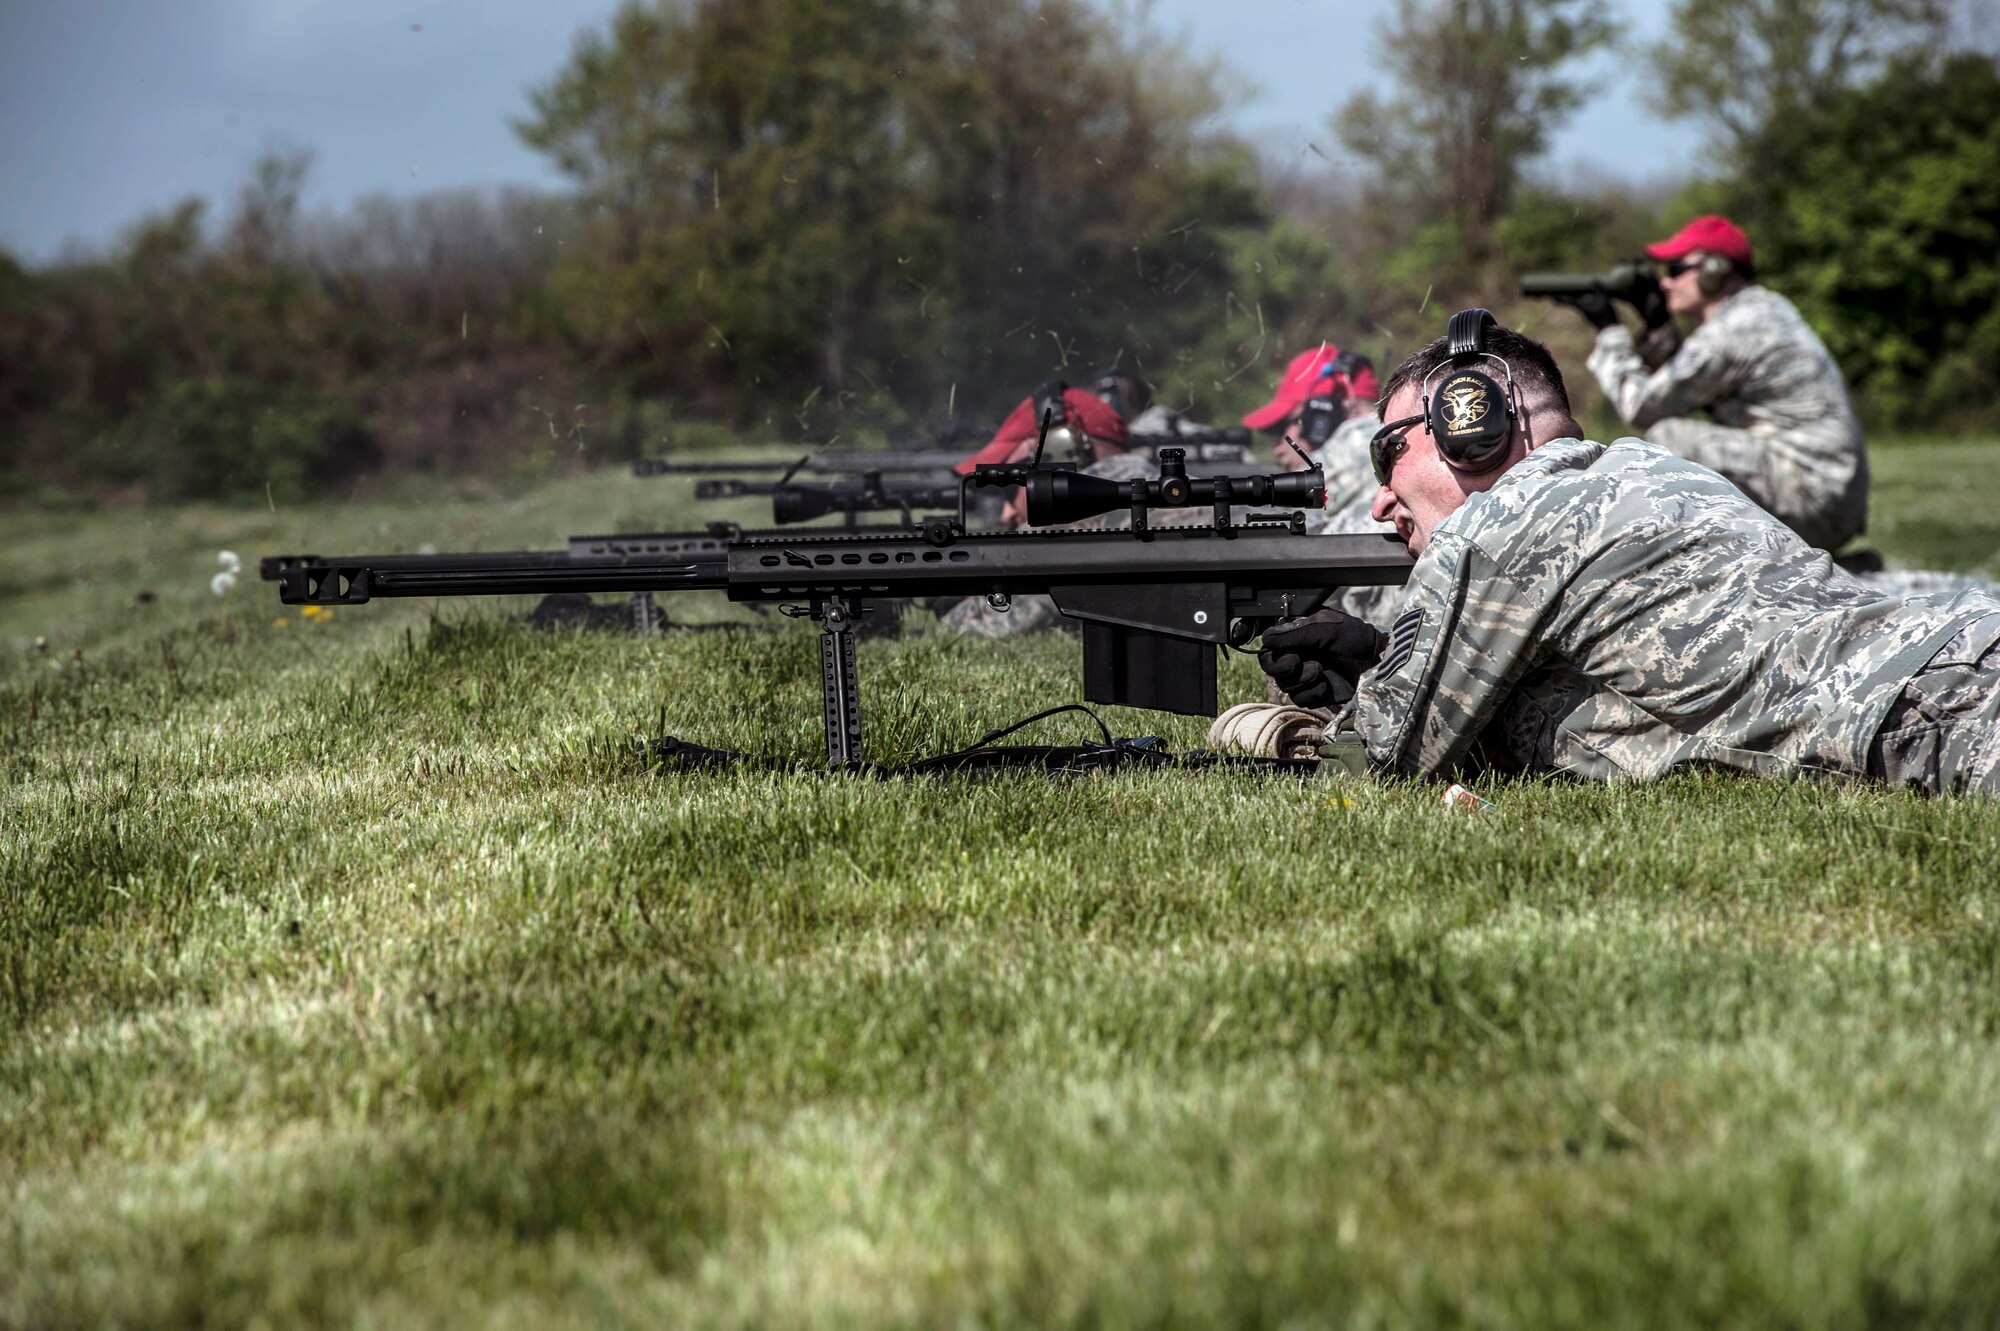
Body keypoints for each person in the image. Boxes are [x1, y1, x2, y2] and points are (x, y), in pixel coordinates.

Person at [1259, 311, 2000, 795]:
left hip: (1939, 718)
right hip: (1951, 668)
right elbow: (1613, 727)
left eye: (1390, 450)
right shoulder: (1639, 470)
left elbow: (1374, 771)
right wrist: (1388, 671)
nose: (1382, 495)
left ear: (1467, 422)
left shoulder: (1506, 518)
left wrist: (1311, 721)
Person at [1554, 214, 1869, 553]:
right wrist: (1658, 324)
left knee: (1669, 437)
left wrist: (1609, 330)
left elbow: (1642, 405)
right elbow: (1687, 385)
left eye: (1675, 270)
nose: (1666, 283)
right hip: (1825, 494)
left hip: (1815, 497)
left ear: (1714, 270)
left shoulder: (1736, 329)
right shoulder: (1761, 310)